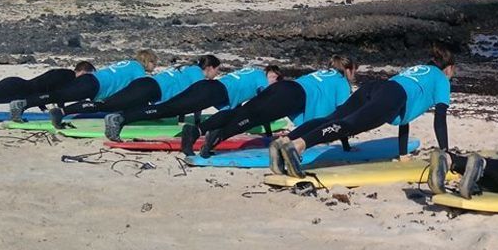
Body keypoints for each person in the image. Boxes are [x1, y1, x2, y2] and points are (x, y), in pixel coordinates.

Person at [271, 44, 455, 177]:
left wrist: (403, 154)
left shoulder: (417, 71)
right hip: (392, 95)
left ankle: (285, 140)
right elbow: (440, 118)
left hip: (376, 87)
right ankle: (298, 146)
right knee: (349, 125)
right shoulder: (442, 79)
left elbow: (404, 116)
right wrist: (445, 151)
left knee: (332, 118)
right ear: (449, 69)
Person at [180, 55, 358, 157]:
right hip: (291, 96)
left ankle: (197, 130)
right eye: (354, 71)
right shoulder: (342, 83)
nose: (353, 76)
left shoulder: (321, 73)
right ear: (348, 70)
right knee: (250, 119)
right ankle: (215, 139)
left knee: (242, 112)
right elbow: (341, 116)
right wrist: (346, 146)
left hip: (285, 86)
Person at [104, 65, 282, 141]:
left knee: (165, 108)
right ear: (271, 74)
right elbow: (263, 103)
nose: (275, 83)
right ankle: (120, 118)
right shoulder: (262, 78)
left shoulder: (250, 73)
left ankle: (120, 118)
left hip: (207, 87)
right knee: (166, 110)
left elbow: (235, 109)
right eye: (276, 79)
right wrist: (267, 131)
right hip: (212, 91)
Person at [49, 55, 222, 129]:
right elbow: (195, 101)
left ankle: (62, 111)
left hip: (146, 85)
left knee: (109, 104)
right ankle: (63, 113)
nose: (218, 74)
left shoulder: (188, 68)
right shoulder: (199, 77)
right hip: (150, 90)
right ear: (209, 68)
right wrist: (197, 121)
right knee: (107, 105)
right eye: (217, 71)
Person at [9, 51, 158, 121]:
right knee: (61, 95)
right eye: (154, 63)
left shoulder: (128, 63)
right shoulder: (139, 70)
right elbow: (137, 92)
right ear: (148, 61)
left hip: (92, 78)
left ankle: (27, 105)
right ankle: (23, 104)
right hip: (96, 85)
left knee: (60, 94)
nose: (155, 66)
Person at [0, 61, 95, 105]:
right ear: (83, 71)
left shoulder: (64, 73)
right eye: (88, 75)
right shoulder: (67, 75)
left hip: (17, 87)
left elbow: (47, 86)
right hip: (16, 88)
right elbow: (53, 90)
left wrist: (42, 102)